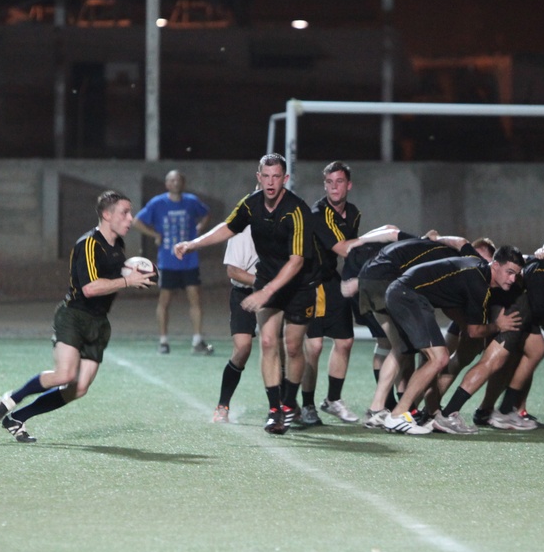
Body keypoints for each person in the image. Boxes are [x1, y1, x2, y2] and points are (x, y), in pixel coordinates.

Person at [0, 191, 156, 443]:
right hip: (74, 316)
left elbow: (115, 282)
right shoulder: (88, 244)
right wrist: (127, 280)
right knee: (64, 375)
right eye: (125, 212)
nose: (130, 218)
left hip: (99, 323)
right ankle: (12, 398)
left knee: (78, 388)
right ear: (106, 214)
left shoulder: (119, 246)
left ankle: (17, 418)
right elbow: (89, 288)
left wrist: (133, 276)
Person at [173, 153, 316, 435]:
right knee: (266, 341)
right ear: (258, 177)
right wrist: (193, 244)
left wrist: (268, 291)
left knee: (294, 347)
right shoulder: (250, 204)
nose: (271, 182)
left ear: (285, 179)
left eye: (277, 177)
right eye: (266, 176)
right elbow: (227, 226)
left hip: (298, 284)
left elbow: (297, 260)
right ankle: (275, 410)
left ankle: (289, 403)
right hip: (267, 280)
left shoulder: (297, 210)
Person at [296, 162, 399, 426]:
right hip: (310, 283)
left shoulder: (353, 213)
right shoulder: (318, 213)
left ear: (348, 185)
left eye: (339, 181)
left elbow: (353, 252)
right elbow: (344, 249)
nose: (334, 187)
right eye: (329, 182)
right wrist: (382, 236)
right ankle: (306, 404)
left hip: (333, 281)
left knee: (344, 342)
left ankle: (332, 400)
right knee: (315, 347)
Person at [381, 247, 524, 435]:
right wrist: (498, 326)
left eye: (516, 274)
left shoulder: (477, 270)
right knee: (439, 358)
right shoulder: (478, 283)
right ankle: (397, 415)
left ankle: (432, 415)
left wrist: (466, 325)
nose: (513, 279)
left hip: (402, 293)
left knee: (432, 359)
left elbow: (450, 305)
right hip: (408, 296)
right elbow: (474, 332)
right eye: (510, 272)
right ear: (495, 265)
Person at [132, 170, 212, 355]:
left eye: (178, 180)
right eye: (171, 180)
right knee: (164, 300)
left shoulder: (191, 201)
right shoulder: (158, 203)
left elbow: (207, 213)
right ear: (166, 184)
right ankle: (163, 341)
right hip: (168, 262)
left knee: (195, 299)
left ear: (183, 183)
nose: (175, 183)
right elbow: (137, 221)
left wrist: (200, 228)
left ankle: (197, 340)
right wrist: (155, 234)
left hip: (189, 261)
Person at [211, 226, 259, 423]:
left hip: (275, 293)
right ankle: (223, 405)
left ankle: (286, 405)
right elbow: (233, 271)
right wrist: (264, 283)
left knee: (281, 348)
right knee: (242, 348)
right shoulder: (243, 228)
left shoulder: (286, 221)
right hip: (245, 292)